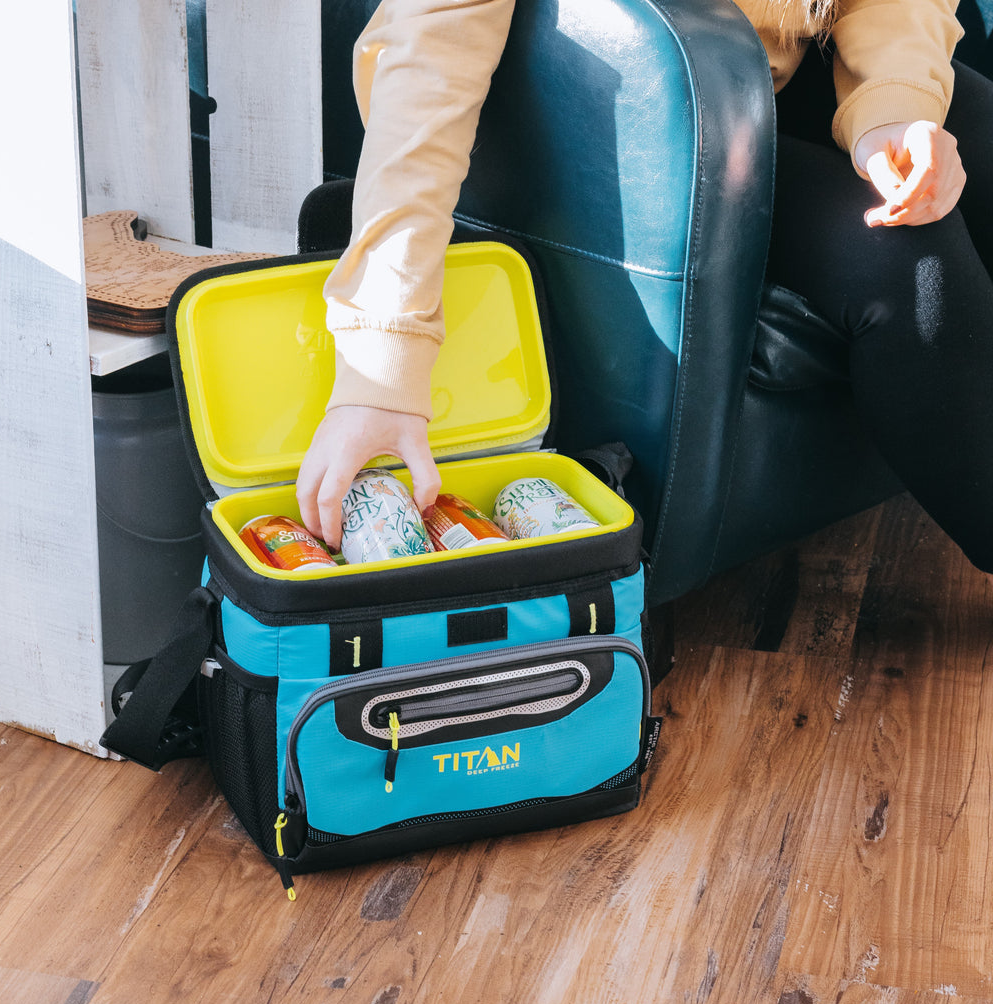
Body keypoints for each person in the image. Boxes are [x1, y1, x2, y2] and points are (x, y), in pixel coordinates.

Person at [295, 0, 993, 576]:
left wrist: (896, 114)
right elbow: (428, 67)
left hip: (753, 74)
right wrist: (382, 364)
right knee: (909, 262)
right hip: (587, 120)